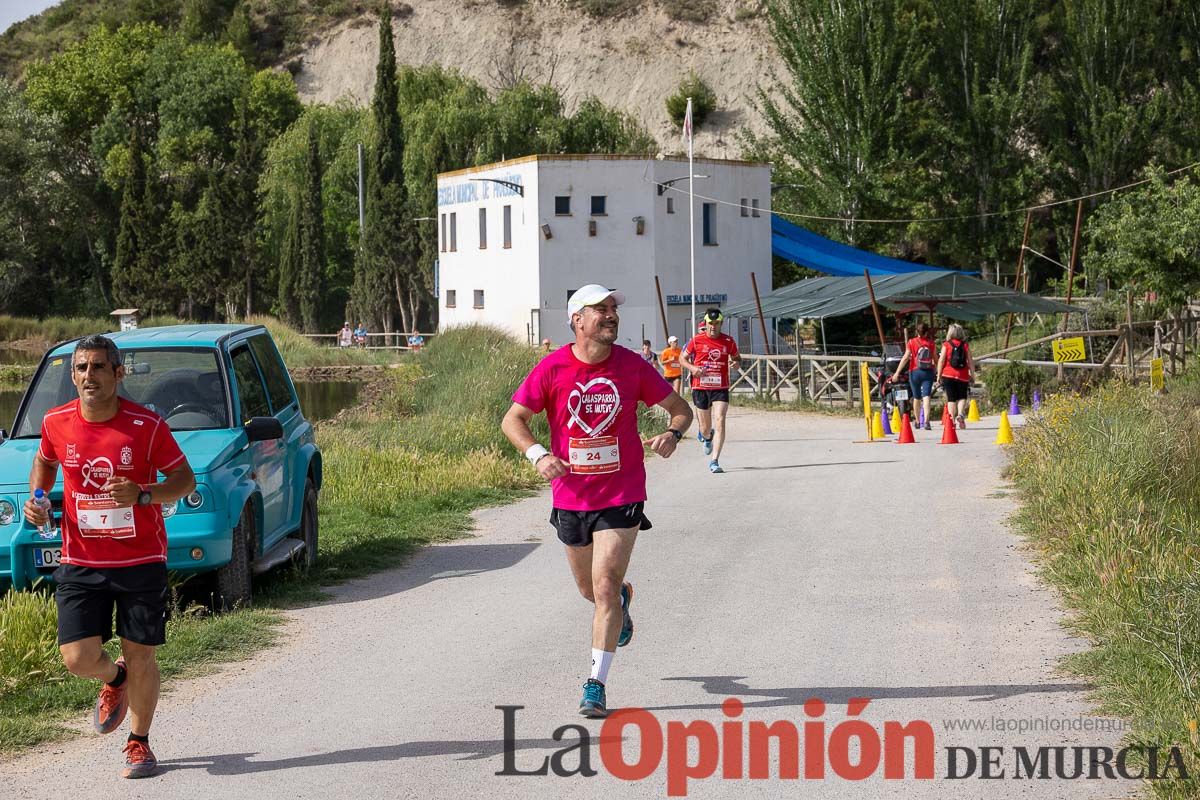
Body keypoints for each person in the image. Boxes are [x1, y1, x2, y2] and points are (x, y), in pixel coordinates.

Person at [501, 284, 692, 718]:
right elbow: (512, 419)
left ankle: (595, 685)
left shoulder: (631, 366)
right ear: (577, 320)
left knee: (602, 586)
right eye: (600, 309)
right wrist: (539, 455)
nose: (610, 315)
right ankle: (621, 601)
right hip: (571, 496)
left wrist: (672, 433)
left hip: (622, 493)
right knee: (591, 590)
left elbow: (681, 407)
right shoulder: (551, 369)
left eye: (612, 309)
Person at [23, 335, 196, 779]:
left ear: (118, 373)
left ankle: (139, 743)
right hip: (81, 559)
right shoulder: (56, 421)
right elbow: (43, 463)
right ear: (73, 375)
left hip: (140, 561)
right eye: (81, 368)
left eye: (99, 367)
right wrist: (39, 499)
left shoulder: (147, 425)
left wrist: (143, 493)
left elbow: (184, 481)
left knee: (142, 655)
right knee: (77, 658)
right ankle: (114, 680)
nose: (89, 376)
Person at [679, 308, 741, 474]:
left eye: (717, 323)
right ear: (705, 324)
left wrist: (736, 364)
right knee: (705, 428)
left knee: (720, 419)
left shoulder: (728, 341)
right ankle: (707, 437)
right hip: (700, 387)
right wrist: (693, 369)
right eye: (710, 323)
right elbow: (682, 359)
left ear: (721, 323)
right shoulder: (696, 340)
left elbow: (737, 358)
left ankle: (715, 461)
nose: (713, 326)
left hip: (720, 387)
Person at [891, 322, 938, 430]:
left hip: (914, 372)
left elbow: (905, 358)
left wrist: (897, 373)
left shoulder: (911, 342)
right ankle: (926, 421)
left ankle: (917, 421)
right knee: (926, 396)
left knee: (916, 397)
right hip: (928, 372)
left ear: (917, 331)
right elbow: (936, 360)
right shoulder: (931, 343)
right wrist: (938, 372)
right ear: (926, 332)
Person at [935, 323, 975, 429]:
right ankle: (961, 414)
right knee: (962, 397)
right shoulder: (965, 345)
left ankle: (951, 421)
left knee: (951, 399)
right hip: (962, 375)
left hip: (948, 374)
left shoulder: (946, 345)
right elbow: (970, 361)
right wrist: (972, 374)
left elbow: (941, 360)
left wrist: (938, 375)